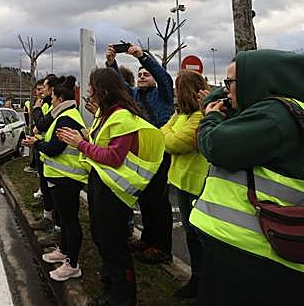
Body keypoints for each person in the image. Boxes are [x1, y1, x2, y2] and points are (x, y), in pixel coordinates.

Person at [190, 50, 304, 306]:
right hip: (262, 246)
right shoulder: (280, 111)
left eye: (230, 83)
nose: (225, 90)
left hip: (253, 253)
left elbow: (217, 146)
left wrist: (211, 118)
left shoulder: (274, 114)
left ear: (256, 81)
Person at [58, 68, 165, 305]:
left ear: (102, 90)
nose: (87, 91)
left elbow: (114, 157)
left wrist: (80, 145)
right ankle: (110, 288)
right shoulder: (104, 115)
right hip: (101, 185)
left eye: (91, 87)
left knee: (114, 246)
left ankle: (122, 297)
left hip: (114, 193)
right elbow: (100, 144)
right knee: (102, 240)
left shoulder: (122, 117)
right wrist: (83, 138)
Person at [106, 43, 174, 263]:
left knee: (159, 201)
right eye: (140, 74)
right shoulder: (134, 94)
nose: (143, 76)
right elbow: (119, 85)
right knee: (145, 199)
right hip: (141, 155)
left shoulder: (162, 94)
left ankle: (162, 247)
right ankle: (147, 239)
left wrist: (143, 57)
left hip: (161, 154)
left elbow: (164, 78)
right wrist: (111, 63)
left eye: (147, 74)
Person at [23, 76, 87, 281]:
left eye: (52, 96)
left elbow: (54, 148)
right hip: (60, 177)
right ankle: (63, 250)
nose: (50, 100)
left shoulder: (67, 117)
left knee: (70, 221)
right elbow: (52, 142)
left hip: (66, 177)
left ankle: (73, 264)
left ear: (59, 98)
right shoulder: (65, 115)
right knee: (65, 218)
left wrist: (36, 143)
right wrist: (40, 141)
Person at [162, 70, 209, 299]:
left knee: (200, 237)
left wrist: (168, 134)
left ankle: (205, 282)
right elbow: (165, 133)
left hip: (197, 184)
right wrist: (168, 134)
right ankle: (197, 279)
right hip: (181, 182)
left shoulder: (201, 117)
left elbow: (175, 143)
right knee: (191, 235)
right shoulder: (180, 115)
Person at [29, 75, 59, 229]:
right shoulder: (48, 103)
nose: (41, 91)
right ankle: (48, 214)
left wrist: (36, 110)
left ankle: (52, 220)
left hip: (48, 150)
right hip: (42, 147)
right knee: (44, 181)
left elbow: (41, 124)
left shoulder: (53, 106)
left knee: (52, 188)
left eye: (44, 88)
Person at [23, 81, 44, 174]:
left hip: (41, 134)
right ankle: (35, 167)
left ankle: (36, 168)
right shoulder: (33, 102)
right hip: (36, 131)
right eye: (38, 90)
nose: (39, 92)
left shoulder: (45, 103)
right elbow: (27, 114)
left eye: (41, 89)